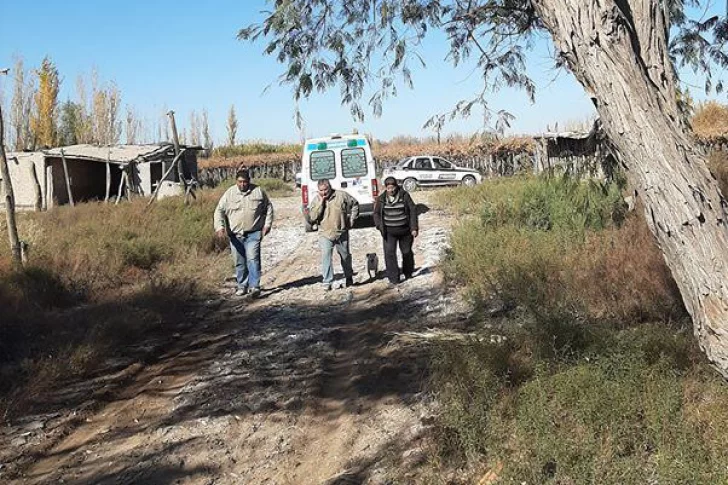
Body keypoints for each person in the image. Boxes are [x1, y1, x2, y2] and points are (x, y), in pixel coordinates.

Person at [214, 169, 274, 297]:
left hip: (253, 233)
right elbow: (219, 211)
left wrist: (267, 225)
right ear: (236, 181)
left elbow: (268, 207)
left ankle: (254, 286)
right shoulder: (229, 194)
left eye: (245, 182)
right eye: (240, 182)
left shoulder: (258, 191)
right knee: (239, 261)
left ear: (249, 181)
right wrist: (220, 227)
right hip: (235, 235)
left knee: (253, 259)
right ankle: (242, 285)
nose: (242, 184)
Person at [306, 179, 359, 290]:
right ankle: (327, 281)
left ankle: (349, 277)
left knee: (345, 257)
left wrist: (352, 219)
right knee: (326, 257)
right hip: (325, 233)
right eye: (321, 190)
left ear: (330, 187)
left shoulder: (341, 195)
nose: (324, 192)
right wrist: (321, 202)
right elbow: (313, 217)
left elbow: (355, 204)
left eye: (326, 189)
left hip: (341, 231)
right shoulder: (316, 200)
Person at [373, 176, 419, 286]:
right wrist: (379, 225)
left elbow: (412, 211)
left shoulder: (404, 196)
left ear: (396, 187)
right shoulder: (382, 199)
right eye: (388, 188)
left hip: (405, 231)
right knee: (390, 254)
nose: (391, 190)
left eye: (392, 188)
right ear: (386, 188)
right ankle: (394, 278)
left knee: (406, 252)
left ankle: (408, 272)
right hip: (389, 232)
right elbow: (376, 213)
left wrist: (414, 228)